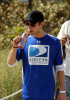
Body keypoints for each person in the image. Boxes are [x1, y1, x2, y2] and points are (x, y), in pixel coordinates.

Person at [7, 10, 66, 100]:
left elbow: (60, 68)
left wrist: (62, 91)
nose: (29, 27)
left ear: (41, 24)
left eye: (33, 24)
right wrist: (14, 46)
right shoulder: (24, 42)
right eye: (27, 24)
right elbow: (10, 63)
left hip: (47, 95)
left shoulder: (54, 42)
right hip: (28, 95)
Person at [57, 20, 70, 100]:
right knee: (65, 97)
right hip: (67, 70)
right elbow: (58, 44)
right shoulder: (67, 25)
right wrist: (61, 42)